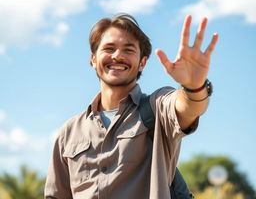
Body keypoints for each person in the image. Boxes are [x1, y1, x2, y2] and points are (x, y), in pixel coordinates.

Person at [44, 13, 218, 199]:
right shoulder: (69, 132)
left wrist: (194, 87)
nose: (117, 56)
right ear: (93, 59)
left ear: (142, 62)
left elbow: (188, 108)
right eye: (109, 48)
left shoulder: (157, 108)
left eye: (128, 50)